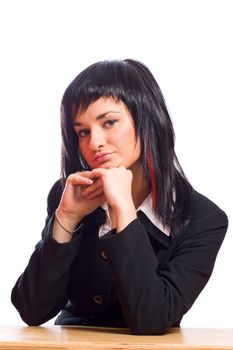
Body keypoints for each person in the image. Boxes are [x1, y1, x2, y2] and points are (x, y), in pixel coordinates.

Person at [11, 59, 228, 335]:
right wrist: (66, 218)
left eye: (109, 122)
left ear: (147, 118)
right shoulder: (69, 195)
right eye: (82, 132)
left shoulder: (203, 218)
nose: (94, 143)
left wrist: (123, 208)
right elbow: (32, 310)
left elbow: (152, 318)